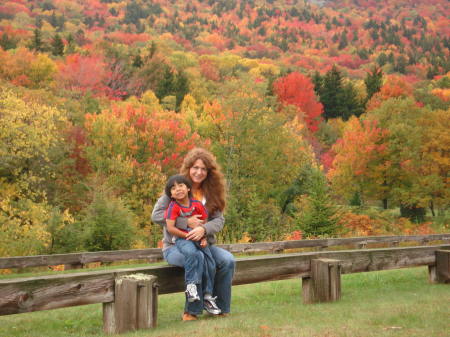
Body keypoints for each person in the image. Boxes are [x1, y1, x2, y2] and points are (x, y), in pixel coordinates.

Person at [152, 147, 235, 321]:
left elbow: (219, 221)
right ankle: (192, 311)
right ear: (188, 168)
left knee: (228, 260)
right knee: (198, 258)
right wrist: (185, 222)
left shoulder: (211, 193)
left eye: (203, 169)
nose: (199, 172)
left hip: (203, 244)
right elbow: (156, 215)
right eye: (195, 167)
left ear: (209, 172)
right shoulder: (177, 188)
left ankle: (219, 308)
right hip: (175, 247)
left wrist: (203, 229)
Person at [163, 174, 220, 314]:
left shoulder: (197, 204)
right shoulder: (173, 207)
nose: (178, 189)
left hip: (199, 237)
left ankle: (207, 295)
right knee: (192, 254)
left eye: (181, 185)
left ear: (188, 188)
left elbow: (204, 221)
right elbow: (170, 228)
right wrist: (188, 235)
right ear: (170, 194)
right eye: (173, 188)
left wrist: (204, 235)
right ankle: (191, 287)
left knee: (209, 261)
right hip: (183, 239)